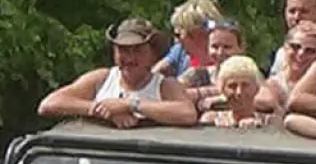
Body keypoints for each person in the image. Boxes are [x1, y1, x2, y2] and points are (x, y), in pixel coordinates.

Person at [38, 18, 197, 127]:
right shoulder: (101, 79)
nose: (130, 58)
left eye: (138, 50)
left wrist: (130, 105)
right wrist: (102, 110)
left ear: (153, 53)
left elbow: (187, 114)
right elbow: (49, 104)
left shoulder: (164, 85)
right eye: (123, 50)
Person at [179, 18, 247, 113]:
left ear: (241, 48)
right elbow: (172, 92)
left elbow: (263, 98)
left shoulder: (250, 75)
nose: (220, 53)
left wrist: (220, 98)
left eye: (227, 47)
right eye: (215, 47)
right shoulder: (198, 74)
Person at [258, 23, 316, 110]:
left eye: (310, 51)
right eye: (295, 46)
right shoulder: (274, 84)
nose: (301, 53)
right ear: (285, 48)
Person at [199, 56, 280, 128]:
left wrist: (258, 129)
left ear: (256, 88)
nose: (239, 92)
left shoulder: (270, 122)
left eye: (245, 85)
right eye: (232, 86)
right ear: (222, 89)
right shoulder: (211, 119)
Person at [154, 0, 224, 77]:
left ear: (196, 32)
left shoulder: (228, 57)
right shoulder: (180, 51)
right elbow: (154, 75)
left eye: (179, 34)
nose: (178, 40)